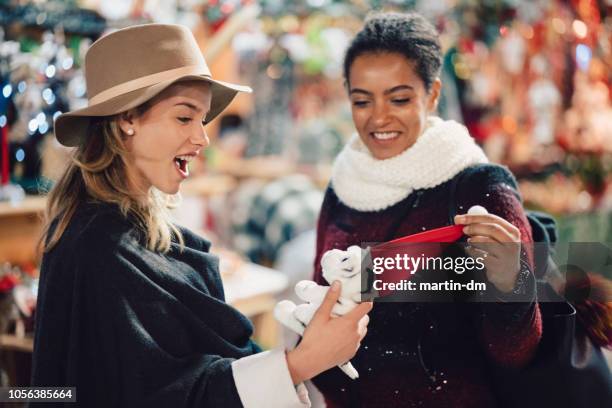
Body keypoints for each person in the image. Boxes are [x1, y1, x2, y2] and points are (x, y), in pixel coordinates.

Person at [31, 23, 372, 408]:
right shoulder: (98, 249)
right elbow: (145, 394)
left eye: (202, 119)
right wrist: (301, 362)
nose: (202, 138)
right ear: (127, 119)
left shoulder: (134, 233)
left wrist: (302, 353)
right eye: (183, 118)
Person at [311, 12, 542, 407]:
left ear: (432, 94)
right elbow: (320, 300)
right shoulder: (343, 183)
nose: (379, 117)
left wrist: (512, 284)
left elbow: (517, 352)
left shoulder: (478, 187)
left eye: (399, 99)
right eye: (362, 101)